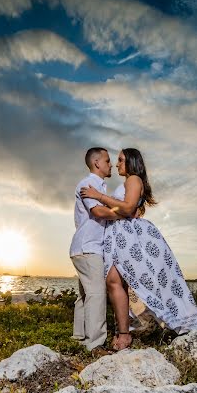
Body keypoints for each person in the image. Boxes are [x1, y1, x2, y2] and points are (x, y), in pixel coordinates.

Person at [81, 148, 197, 351]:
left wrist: (98, 196)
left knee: (133, 281)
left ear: (131, 162)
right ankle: (124, 333)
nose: (117, 164)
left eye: (120, 160)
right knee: (114, 281)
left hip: (129, 236)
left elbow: (127, 208)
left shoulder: (134, 179)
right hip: (120, 234)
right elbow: (127, 208)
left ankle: (127, 333)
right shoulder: (129, 181)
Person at [69, 147, 124, 355]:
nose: (111, 165)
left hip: (83, 247)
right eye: (108, 161)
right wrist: (125, 213)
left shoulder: (98, 187)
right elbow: (98, 211)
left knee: (84, 295)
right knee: (97, 293)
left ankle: (79, 337)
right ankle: (95, 345)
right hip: (88, 248)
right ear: (97, 163)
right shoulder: (87, 184)